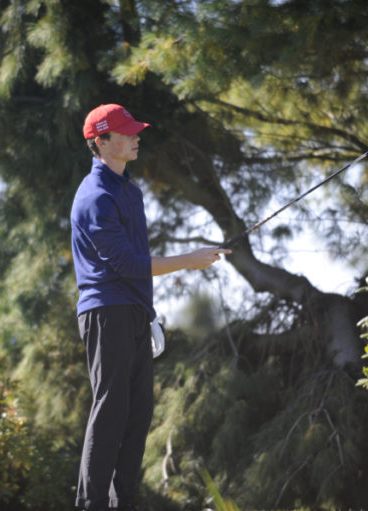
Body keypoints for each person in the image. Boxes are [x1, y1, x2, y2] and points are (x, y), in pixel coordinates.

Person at [70, 103, 231, 511]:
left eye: (135, 131)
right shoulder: (95, 198)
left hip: (135, 311)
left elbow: (137, 262)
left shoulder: (129, 191)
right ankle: (91, 504)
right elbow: (125, 265)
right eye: (126, 133)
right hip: (105, 311)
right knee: (111, 409)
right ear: (101, 141)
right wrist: (187, 260)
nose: (136, 137)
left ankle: (122, 502)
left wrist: (149, 312)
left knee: (138, 411)